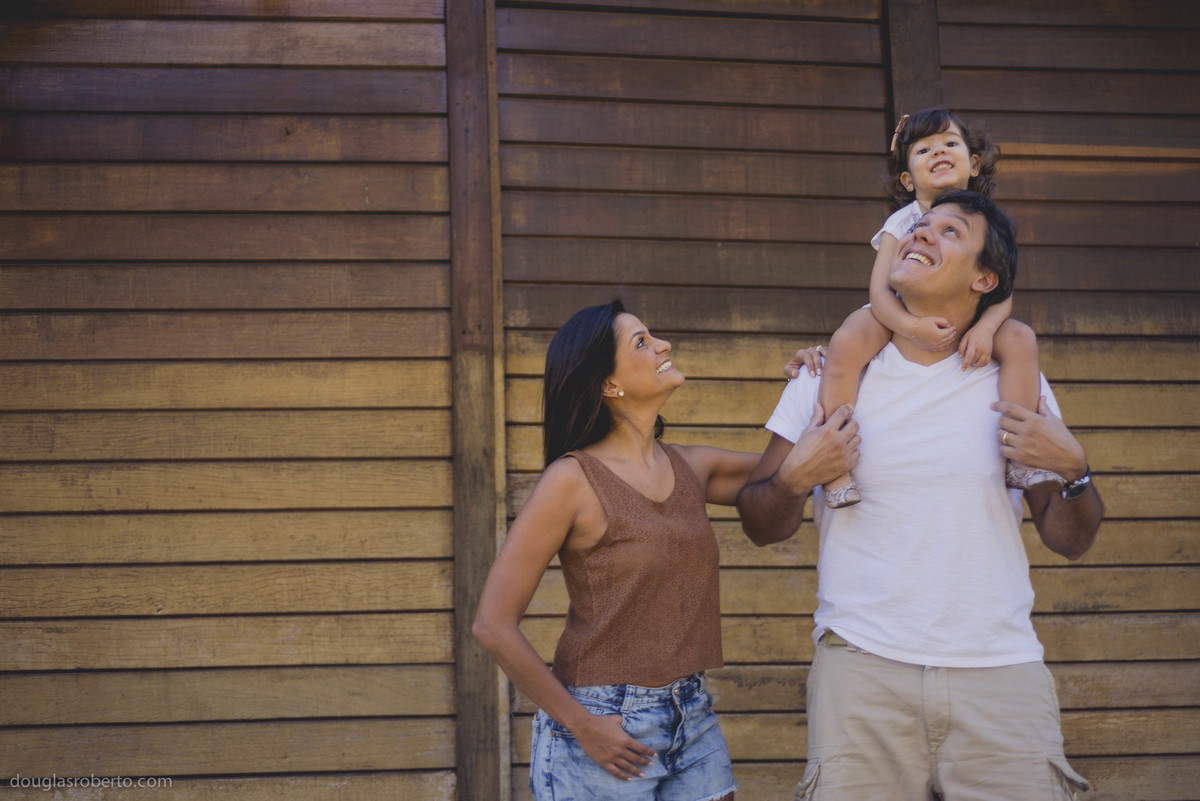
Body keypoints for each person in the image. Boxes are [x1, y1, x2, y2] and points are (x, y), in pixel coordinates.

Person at [739, 191, 1104, 800]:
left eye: (950, 231)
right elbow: (759, 521)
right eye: (920, 227)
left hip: (999, 671)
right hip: (860, 668)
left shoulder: (1018, 381)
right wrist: (794, 479)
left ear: (984, 279)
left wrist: (1076, 471)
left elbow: (1067, 538)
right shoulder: (826, 378)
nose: (921, 235)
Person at [474, 300, 764, 801]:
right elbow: (492, 625)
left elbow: (792, 469)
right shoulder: (570, 481)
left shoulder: (691, 467)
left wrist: (812, 378)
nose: (663, 344)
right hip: (602, 721)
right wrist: (582, 725)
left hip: (691, 714)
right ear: (610, 385)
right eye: (641, 342)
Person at [788, 108, 1059, 509]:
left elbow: (1002, 290)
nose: (939, 151)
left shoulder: (984, 221)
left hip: (969, 315)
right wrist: (911, 327)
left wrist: (985, 329)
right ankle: (835, 468)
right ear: (906, 178)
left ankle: (1020, 455)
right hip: (893, 313)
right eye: (923, 149)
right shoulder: (900, 222)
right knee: (847, 342)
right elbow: (881, 291)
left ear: (974, 163)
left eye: (950, 143)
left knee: (1020, 338)